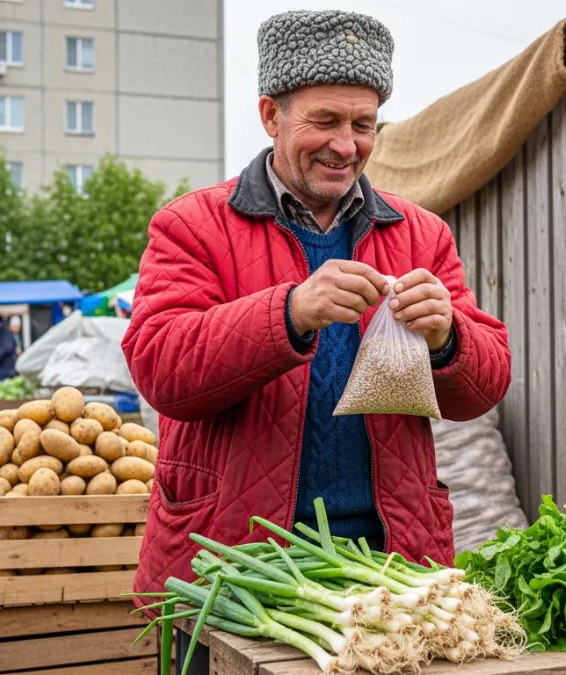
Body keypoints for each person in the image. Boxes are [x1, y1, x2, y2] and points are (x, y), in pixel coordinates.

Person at [121, 9, 511, 666]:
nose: (346, 144)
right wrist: (290, 311)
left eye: (364, 125)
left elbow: (485, 384)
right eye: (324, 122)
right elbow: (162, 368)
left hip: (388, 574)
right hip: (231, 569)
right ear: (271, 115)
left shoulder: (420, 234)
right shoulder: (192, 224)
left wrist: (448, 338)